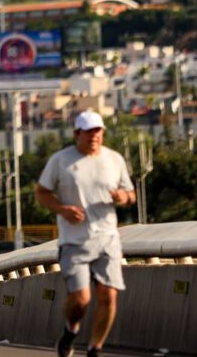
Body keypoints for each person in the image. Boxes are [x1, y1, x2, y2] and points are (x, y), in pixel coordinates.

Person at [35, 110, 136, 357]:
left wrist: (123, 197)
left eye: (98, 131)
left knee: (109, 295)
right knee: (81, 299)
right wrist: (62, 210)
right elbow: (42, 193)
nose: (94, 136)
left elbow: (131, 195)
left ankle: (94, 349)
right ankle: (71, 330)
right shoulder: (61, 160)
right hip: (74, 241)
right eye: (88, 132)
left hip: (107, 238)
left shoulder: (114, 159)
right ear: (77, 134)